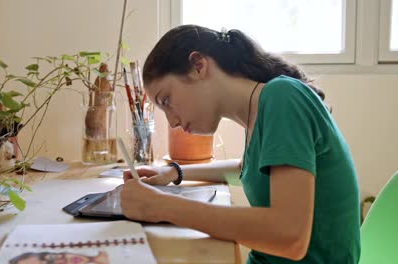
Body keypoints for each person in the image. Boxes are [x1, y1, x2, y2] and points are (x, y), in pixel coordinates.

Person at [120, 25, 360, 263]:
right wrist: (172, 172)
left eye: (167, 100)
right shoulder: (260, 110)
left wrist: (161, 206)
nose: (172, 122)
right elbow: (244, 168)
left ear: (198, 66)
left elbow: (291, 237)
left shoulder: (283, 98)